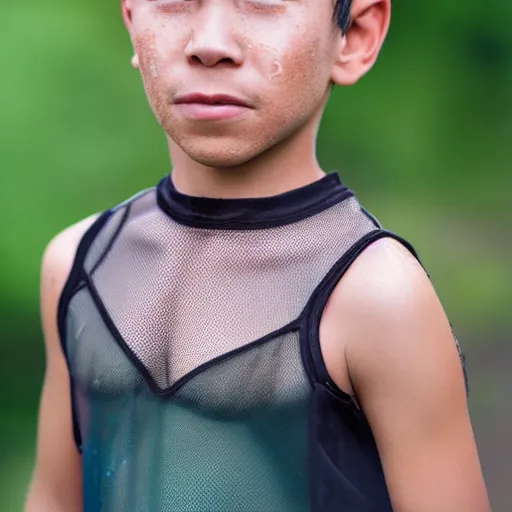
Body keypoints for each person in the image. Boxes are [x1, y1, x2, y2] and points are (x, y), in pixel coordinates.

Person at [26, 0, 491, 510]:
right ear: (133, 18)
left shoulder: (376, 295)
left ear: (354, 35)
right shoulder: (79, 266)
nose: (210, 43)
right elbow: (52, 497)